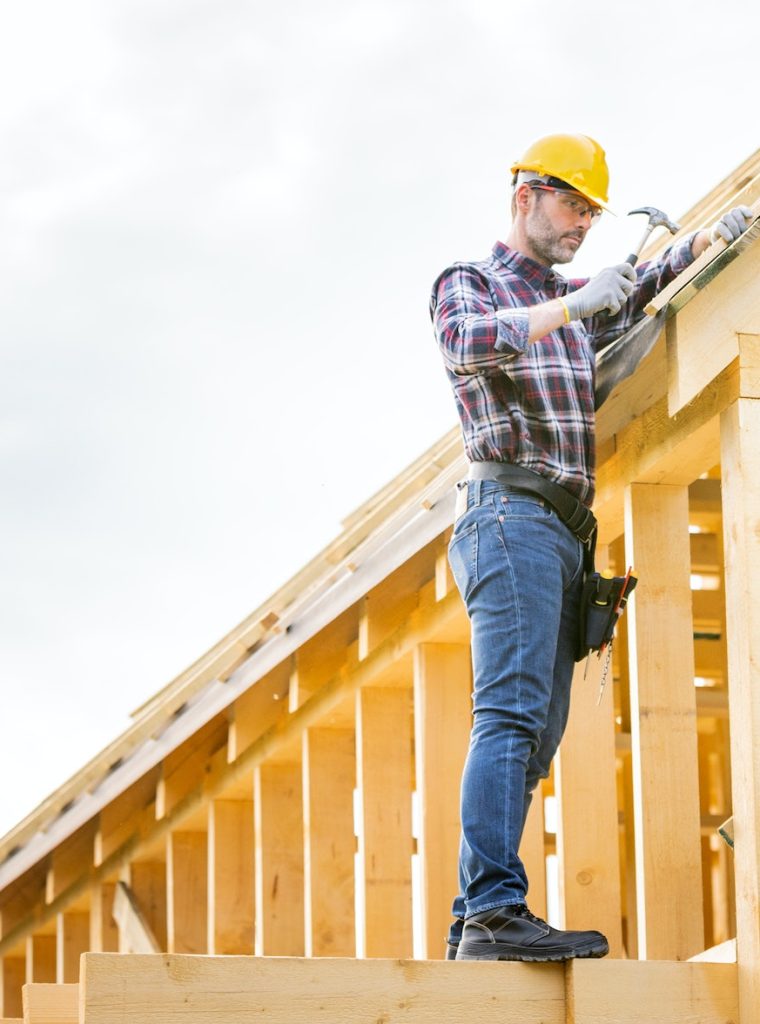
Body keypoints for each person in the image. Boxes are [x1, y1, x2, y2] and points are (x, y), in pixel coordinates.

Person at [429, 133, 753, 962]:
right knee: (506, 714)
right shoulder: (472, 283)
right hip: (509, 515)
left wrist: (709, 239)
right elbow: (470, 342)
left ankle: (479, 923)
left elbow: (639, 282)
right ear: (524, 196)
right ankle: (496, 910)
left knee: (532, 734)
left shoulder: (577, 300)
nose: (582, 223)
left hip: (562, 536)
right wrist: (574, 306)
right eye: (572, 204)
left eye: (592, 213)